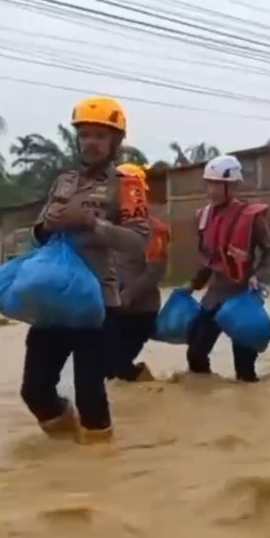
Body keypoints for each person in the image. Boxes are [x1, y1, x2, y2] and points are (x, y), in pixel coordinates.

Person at [21, 96, 150, 445]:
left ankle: (96, 471)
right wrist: (46, 225)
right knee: (34, 389)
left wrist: (94, 226)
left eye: (99, 136)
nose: (91, 142)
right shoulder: (63, 181)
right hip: (53, 298)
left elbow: (138, 243)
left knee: (90, 394)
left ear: (115, 142)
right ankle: (64, 452)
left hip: (96, 300)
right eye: (85, 135)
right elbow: (36, 233)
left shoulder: (126, 185)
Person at [187, 155, 270, 382]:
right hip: (215, 294)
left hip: (242, 296)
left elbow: (269, 252)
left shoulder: (252, 217)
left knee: (244, 368)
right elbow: (207, 259)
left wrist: (257, 275)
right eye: (209, 183)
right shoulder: (203, 217)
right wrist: (193, 285)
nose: (212, 189)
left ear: (232, 186)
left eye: (217, 184)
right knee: (195, 353)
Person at [110, 162, 170, 382]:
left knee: (119, 366)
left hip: (139, 312)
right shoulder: (106, 227)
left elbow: (155, 272)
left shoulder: (155, 230)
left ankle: (149, 392)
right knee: (107, 368)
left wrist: (127, 296)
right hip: (114, 309)